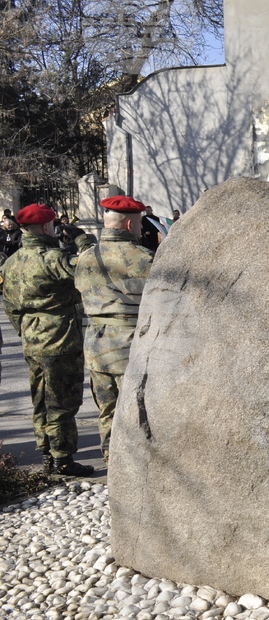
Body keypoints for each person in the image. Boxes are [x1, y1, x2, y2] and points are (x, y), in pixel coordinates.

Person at [1, 204, 96, 476]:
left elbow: (10, 307)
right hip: (60, 339)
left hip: (32, 338)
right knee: (62, 402)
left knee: (41, 400)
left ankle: (46, 454)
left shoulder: (12, 261)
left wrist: (27, 330)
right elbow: (92, 266)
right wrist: (81, 239)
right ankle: (62, 459)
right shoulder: (53, 258)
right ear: (46, 227)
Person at [74, 196, 154, 464]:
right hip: (128, 347)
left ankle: (111, 462)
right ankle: (132, 470)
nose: (142, 230)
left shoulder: (85, 257)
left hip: (96, 347)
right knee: (135, 412)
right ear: (130, 224)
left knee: (107, 410)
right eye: (140, 224)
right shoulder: (144, 259)